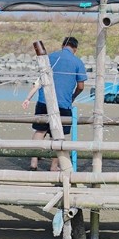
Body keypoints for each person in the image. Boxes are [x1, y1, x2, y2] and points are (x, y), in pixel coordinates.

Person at [21, 37, 87, 171]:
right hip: (64, 102)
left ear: (63, 45)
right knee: (58, 135)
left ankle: (33, 162)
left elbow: (40, 78)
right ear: (75, 48)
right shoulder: (77, 62)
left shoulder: (50, 57)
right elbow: (81, 86)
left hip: (44, 99)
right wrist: (73, 96)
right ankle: (53, 166)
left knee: (40, 130)